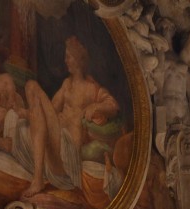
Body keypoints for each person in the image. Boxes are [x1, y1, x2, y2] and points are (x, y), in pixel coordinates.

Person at [18, 35, 119, 198]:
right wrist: (29, 114)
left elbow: (113, 106)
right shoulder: (66, 84)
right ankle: (38, 175)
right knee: (24, 114)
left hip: (68, 151)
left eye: (68, 56)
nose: (65, 60)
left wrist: (95, 106)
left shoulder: (92, 88)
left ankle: (37, 179)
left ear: (78, 59)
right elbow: (47, 111)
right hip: (56, 141)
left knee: (31, 86)